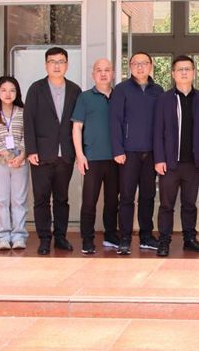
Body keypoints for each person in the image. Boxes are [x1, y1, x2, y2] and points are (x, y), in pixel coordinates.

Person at [24, 47, 82, 255]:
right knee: (41, 199)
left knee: (61, 199)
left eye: (61, 61)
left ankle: (60, 237)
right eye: (52, 62)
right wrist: (31, 149)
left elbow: (79, 123)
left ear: (67, 65)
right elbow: (28, 120)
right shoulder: (36, 88)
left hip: (65, 154)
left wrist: (79, 153)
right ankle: (44, 239)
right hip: (41, 154)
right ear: (46, 65)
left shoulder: (75, 90)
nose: (57, 66)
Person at [153, 55, 199, 257]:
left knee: (190, 204)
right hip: (169, 163)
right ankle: (164, 241)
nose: (184, 72)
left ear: (194, 73)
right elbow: (157, 130)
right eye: (180, 69)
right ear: (173, 74)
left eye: (188, 69)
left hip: (193, 163)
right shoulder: (164, 99)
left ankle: (190, 239)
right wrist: (159, 159)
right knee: (166, 205)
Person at [110, 52, 165, 255]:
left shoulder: (158, 91)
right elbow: (115, 120)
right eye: (135, 63)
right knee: (126, 196)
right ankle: (125, 237)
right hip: (128, 152)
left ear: (151, 66)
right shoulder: (121, 89)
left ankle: (146, 236)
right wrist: (118, 149)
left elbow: (162, 123)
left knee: (148, 196)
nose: (140, 67)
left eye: (144, 63)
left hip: (151, 152)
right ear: (130, 66)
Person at [72, 59, 120, 254]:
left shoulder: (120, 96)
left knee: (112, 201)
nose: (103, 73)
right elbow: (77, 127)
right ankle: (87, 239)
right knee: (89, 201)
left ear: (113, 74)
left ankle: (110, 235)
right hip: (91, 158)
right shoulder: (84, 97)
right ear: (93, 74)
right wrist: (79, 155)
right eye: (99, 70)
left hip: (117, 158)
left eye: (107, 70)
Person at [0, 76, 29, 251]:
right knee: (1, 200)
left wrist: (21, 155)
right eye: (4, 90)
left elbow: (27, 135)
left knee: (19, 200)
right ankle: (3, 236)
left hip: (20, 159)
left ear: (17, 93)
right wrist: (7, 155)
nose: (8, 94)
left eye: (12, 90)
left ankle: (19, 236)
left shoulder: (23, 112)